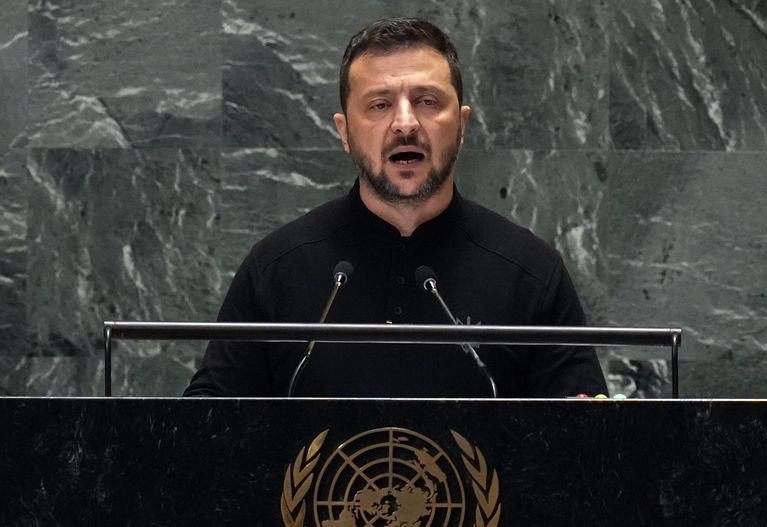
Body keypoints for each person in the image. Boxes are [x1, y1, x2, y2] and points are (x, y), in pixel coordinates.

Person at [184, 17, 607, 398]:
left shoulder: (530, 272)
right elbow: (206, 434)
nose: (405, 124)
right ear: (345, 132)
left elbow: (585, 447)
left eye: (427, 101)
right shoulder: (276, 268)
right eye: (380, 105)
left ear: (461, 126)